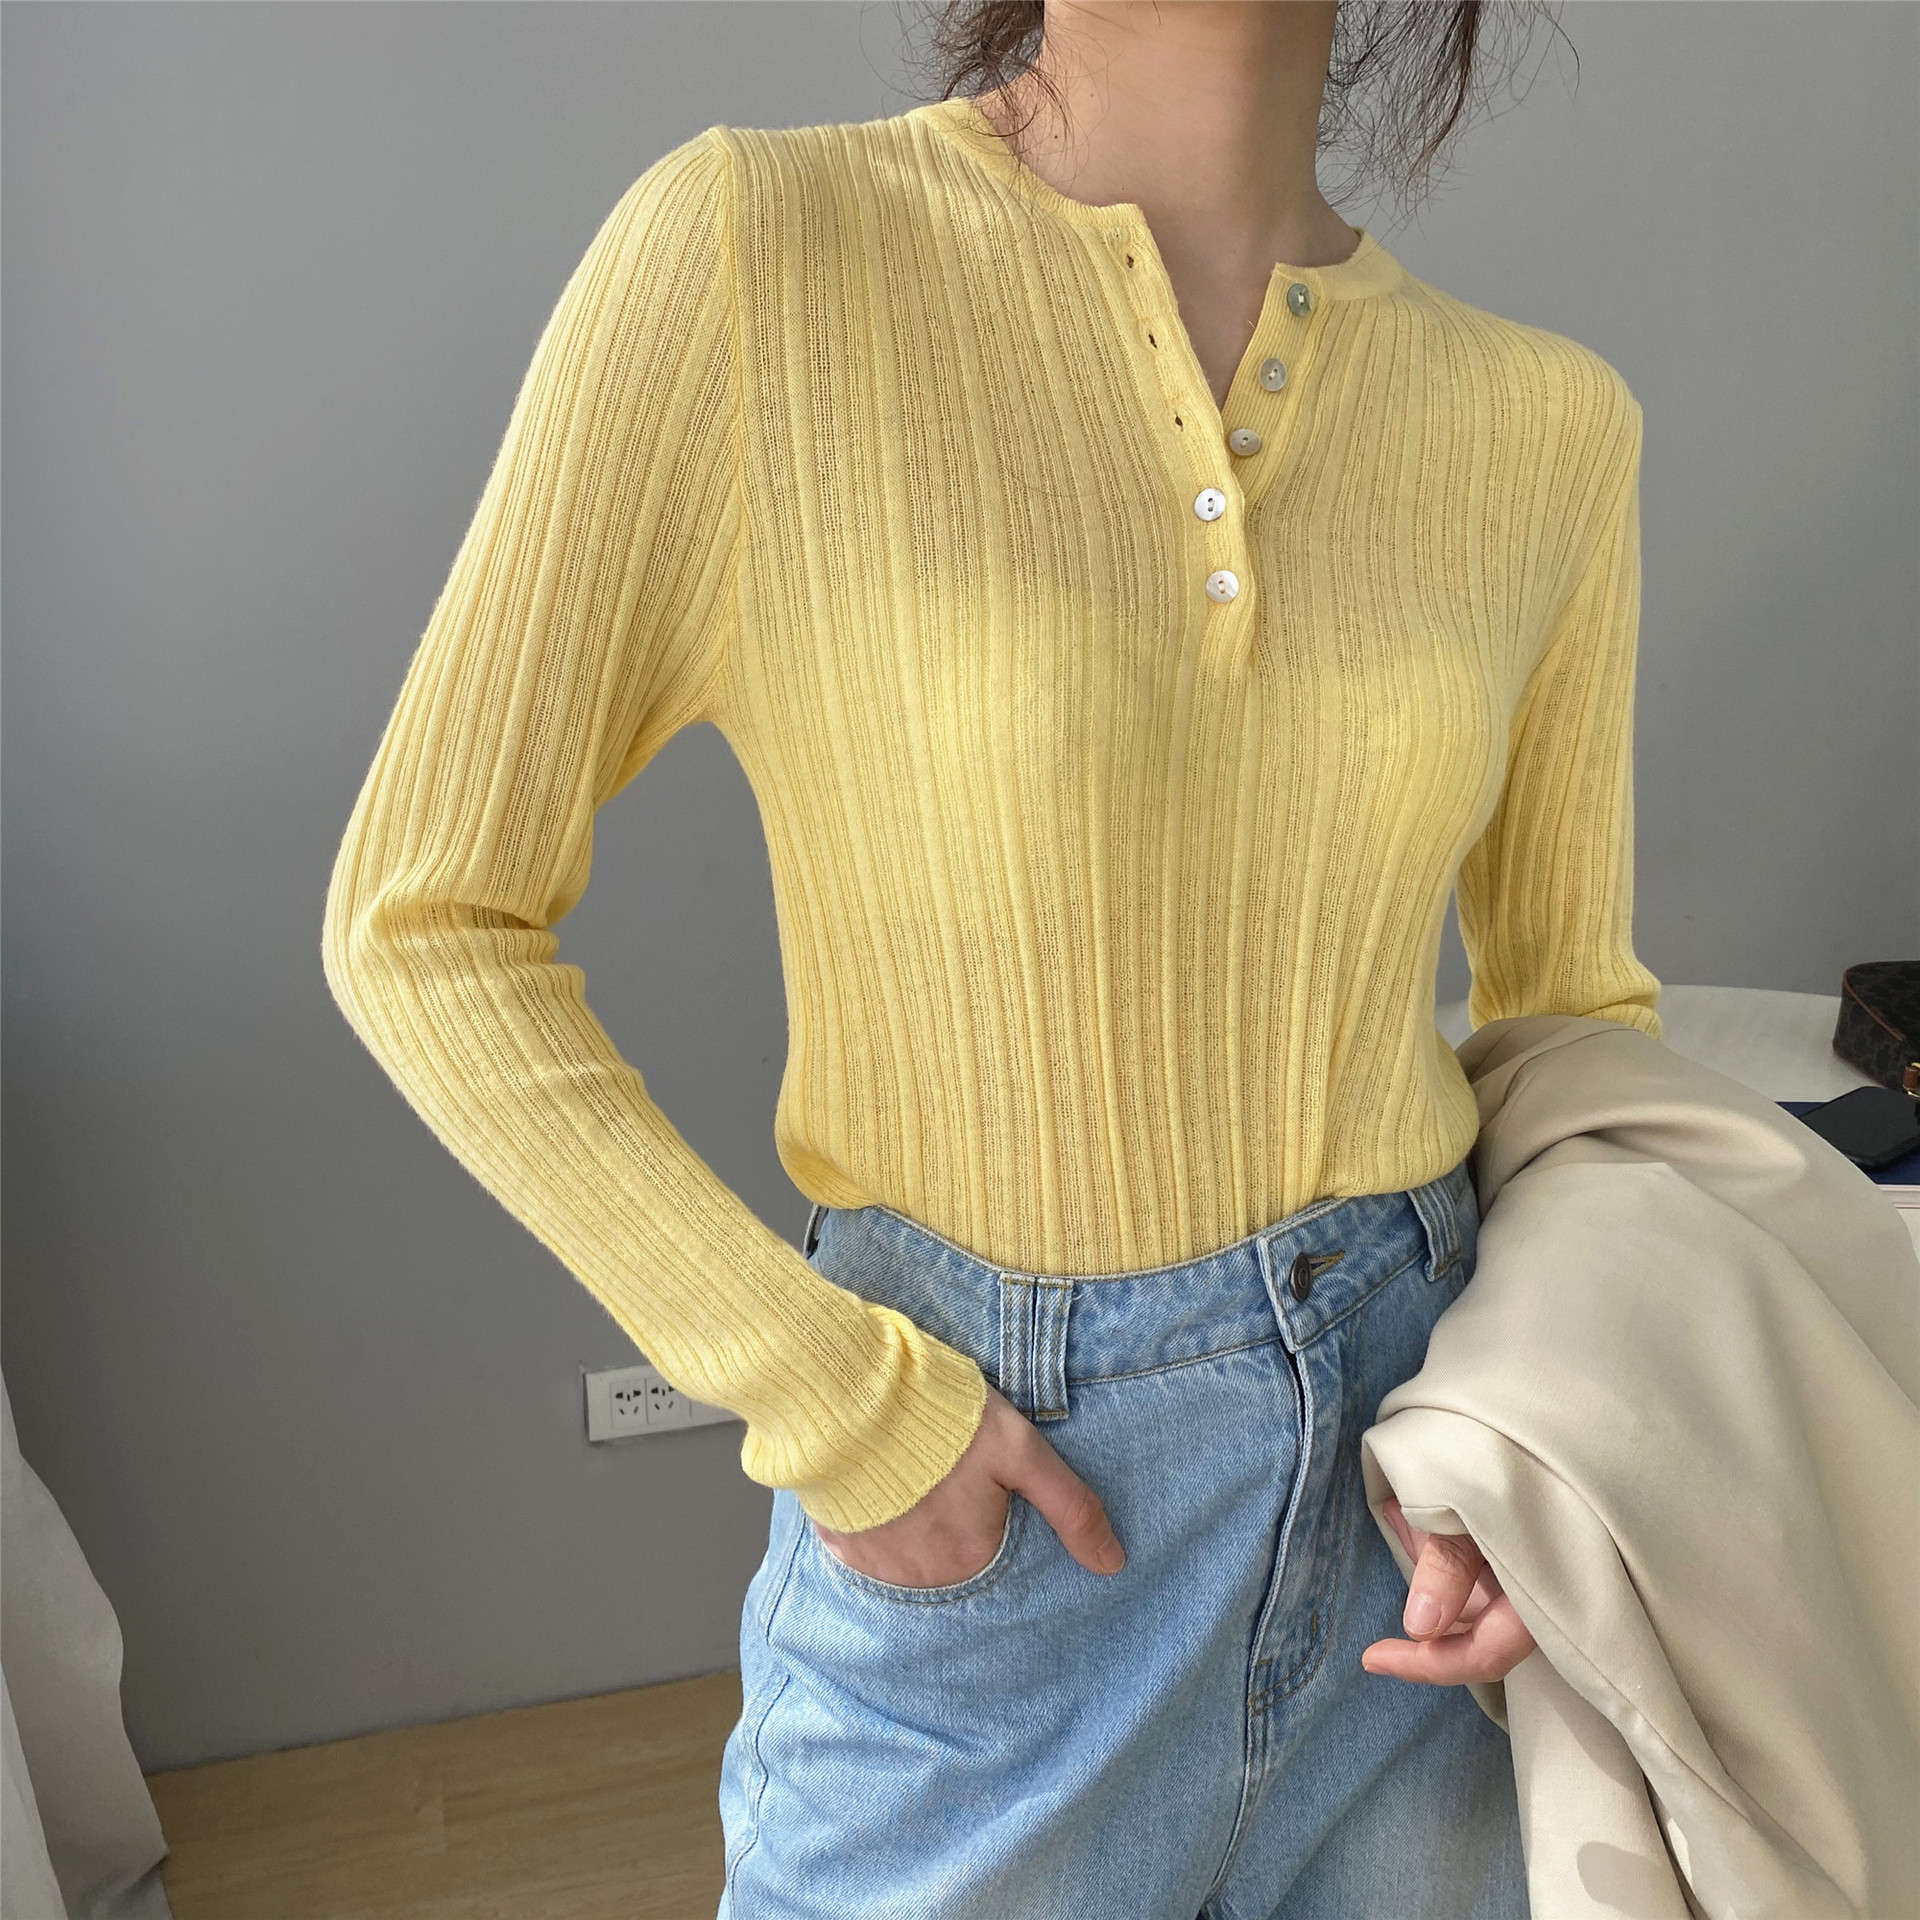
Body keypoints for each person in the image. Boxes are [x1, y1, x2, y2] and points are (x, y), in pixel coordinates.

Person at [322, 2, 1664, 1914]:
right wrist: (840, 1402)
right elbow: (424, 914)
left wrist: (1548, 1445)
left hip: (1418, 1535)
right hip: (1004, 1517)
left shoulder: (1549, 420)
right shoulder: (758, 255)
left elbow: (1572, 1021)